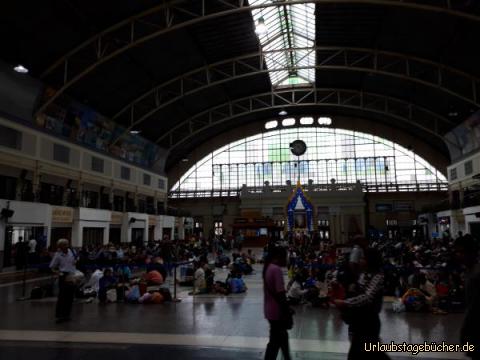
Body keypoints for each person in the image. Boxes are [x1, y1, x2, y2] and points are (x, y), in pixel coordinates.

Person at [334, 248, 390, 360]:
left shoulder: (377, 276)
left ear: (370, 260)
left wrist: (346, 303)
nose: (360, 260)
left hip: (369, 322)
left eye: (364, 258)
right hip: (360, 321)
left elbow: (367, 297)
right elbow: (357, 291)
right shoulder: (363, 274)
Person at [263, 246, 292, 360]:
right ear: (279, 256)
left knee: (280, 340)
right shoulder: (276, 270)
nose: (286, 259)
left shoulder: (268, 268)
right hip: (277, 312)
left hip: (269, 310)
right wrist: (287, 311)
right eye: (285, 256)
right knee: (275, 343)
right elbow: (281, 294)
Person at [456, 235, 480, 359]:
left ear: (471, 252)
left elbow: (473, 308)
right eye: (458, 252)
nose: (459, 255)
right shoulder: (469, 272)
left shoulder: (476, 275)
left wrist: (465, 331)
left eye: (462, 252)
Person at [49, 239, 77, 323]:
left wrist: (75, 262)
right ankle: (60, 315)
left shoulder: (72, 252)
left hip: (71, 275)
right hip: (63, 275)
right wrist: (59, 273)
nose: (67, 246)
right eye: (64, 245)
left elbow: (75, 261)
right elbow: (52, 267)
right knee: (62, 296)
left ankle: (67, 314)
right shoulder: (58, 255)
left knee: (70, 296)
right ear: (60, 246)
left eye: (67, 244)